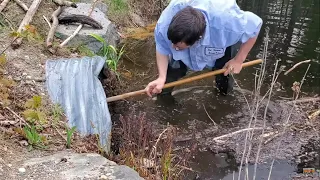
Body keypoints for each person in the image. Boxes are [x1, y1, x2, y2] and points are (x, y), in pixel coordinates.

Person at [145, 0, 263, 98]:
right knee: (168, 79)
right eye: (172, 42)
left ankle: (222, 99)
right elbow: (162, 47)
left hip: (219, 39)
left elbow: (256, 25)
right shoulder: (165, 23)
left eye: (177, 47)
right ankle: (165, 101)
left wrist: (239, 60)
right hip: (189, 37)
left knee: (225, 79)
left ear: (197, 40)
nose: (172, 48)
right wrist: (161, 77)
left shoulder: (229, 23)